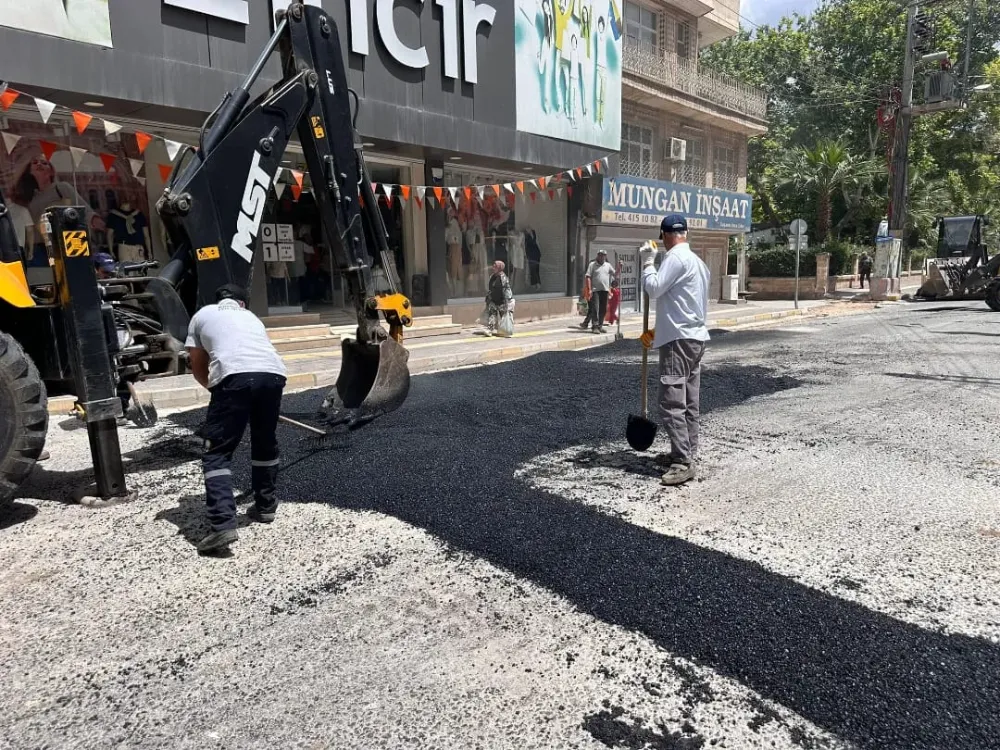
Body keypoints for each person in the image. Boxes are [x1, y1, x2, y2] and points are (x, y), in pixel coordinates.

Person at [185, 284, 288, 554]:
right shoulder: (252, 317)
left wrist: (217, 390)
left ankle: (222, 525)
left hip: (234, 377)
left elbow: (197, 363)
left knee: (216, 451)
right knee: (264, 442)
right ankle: (266, 506)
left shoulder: (202, 314)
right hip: (274, 375)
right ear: (242, 303)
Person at [639, 215, 710, 487]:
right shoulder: (698, 263)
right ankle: (687, 451)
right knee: (689, 401)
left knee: (671, 402)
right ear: (686, 233)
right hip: (694, 338)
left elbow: (654, 288)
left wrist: (648, 263)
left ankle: (682, 461)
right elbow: (689, 304)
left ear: (665, 235)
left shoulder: (676, 258)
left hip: (679, 342)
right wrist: (661, 330)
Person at [585, 250, 615, 333]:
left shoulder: (608, 265)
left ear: (605, 256)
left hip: (605, 290)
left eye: (603, 255)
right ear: (597, 255)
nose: (602, 257)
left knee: (603, 309)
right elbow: (588, 277)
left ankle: (600, 326)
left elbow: (615, 274)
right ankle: (595, 326)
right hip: (595, 290)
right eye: (600, 255)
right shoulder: (592, 265)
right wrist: (589, 289)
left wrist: (620, 267)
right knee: (595, 308)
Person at [484, 260, 514, 336]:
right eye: (493, 265)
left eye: (495, 266)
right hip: (493, 300)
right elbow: (490, 288)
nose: (493, 267)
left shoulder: (504, 278)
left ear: (500, 268)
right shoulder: (492, 277)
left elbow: (507, 289)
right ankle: (490, 330)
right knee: (492, 316)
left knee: (504, 316)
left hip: (502, 301)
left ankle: (507, 330)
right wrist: (488, 298)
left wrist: (507, 301)